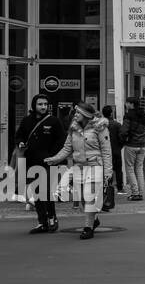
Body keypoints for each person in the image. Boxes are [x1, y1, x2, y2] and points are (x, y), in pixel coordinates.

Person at [45, 102, 112, 240]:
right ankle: (94, 219)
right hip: (79, 167)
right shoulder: (74, 129)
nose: (75, 115)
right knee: (82, 198)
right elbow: (67, 148)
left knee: (89, 197)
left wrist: (108, 172)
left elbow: (106, 151)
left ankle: (88, 228)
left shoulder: (99, 128)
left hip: (95, 165)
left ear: (86, 115)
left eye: (78, 113)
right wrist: (55, 159)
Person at [14, 95, 66, 234]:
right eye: (40, 104)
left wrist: (53, 156)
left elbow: (61, 140)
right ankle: (42, 222)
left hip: (48, 162)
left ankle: (52, 218)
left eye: (45, 104)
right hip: (31, 160)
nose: (43, 107)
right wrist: (20, 142)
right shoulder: (26, 121)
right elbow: (19, 135)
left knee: (46, 191)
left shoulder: (54, 121)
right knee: (37, 192)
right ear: (34, 105)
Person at [121, 99, 145, 202]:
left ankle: (135, 193)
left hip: (131, 145)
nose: (125, 104)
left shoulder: (128, 115)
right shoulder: (144, 115)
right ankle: (140, 193)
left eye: (127, 102)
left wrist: (123, 139)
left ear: (131, 104)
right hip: (143, 145)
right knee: (139, 168)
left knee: (130, 168)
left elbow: (124, 130)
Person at [102, 105, 124, 194]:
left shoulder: (101, 125)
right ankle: (120, 188)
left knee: (107, 170)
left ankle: (108, 187)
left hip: (105, 151)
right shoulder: (117, 125)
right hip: (116, 150)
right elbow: (122, 137)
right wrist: (120, 146)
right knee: (118, 170)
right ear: (111, 113)